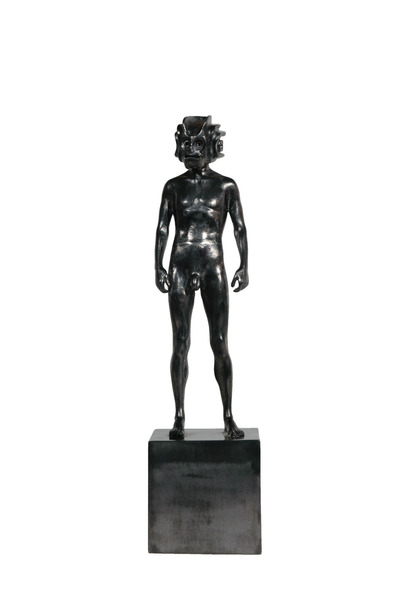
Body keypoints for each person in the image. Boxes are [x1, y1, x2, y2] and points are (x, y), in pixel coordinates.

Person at [155, 116, 249, 440]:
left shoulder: (226, 186)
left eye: (198, 144)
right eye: (187, 144)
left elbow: (239, 227)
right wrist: (157, 266)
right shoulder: (173, 187)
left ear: (211, 145)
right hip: (180, 263)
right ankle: (179, 414)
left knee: (219, 342)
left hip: (213, 264)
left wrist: (244, 265)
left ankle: (228, 415)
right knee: (180, 342)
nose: (192, 151)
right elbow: (163, 227)